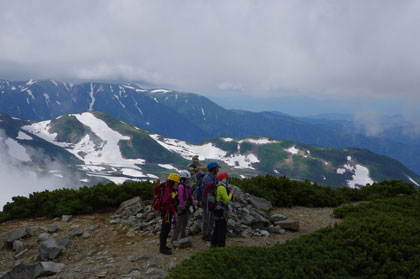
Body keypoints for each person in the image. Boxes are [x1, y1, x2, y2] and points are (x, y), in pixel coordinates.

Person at [211, 172, 234, 248]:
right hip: (220, 211)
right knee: (222, 228)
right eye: (227, 179)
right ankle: (221, 245)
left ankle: (214, 243)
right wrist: (231, 193)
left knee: (217, 227)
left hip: (217, 210)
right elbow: (227, 200)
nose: (227, 180)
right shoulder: (222, 188)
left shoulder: (219, 186)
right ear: (224, 179)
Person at [172, 170, 195, 242]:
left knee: (185, 223)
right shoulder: (181, 187)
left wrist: (193, 204)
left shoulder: (186, 187)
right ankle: (174, 239)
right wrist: (182, 207)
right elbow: (180, 197)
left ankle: (183, 237)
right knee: (179, 223)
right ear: (183, 179)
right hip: (181, 207)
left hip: (186, 206)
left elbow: (190, 195)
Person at [159, 173, 180, 255]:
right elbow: (165, 202)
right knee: (165, 229)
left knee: (166, 228)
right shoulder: (168, 189)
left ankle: (163, 246)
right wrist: (172, 202)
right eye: (176, 182)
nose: (177, 184)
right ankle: (162, 248)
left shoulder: (170, 189)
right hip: (166, 212)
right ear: (172, 182)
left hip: (167, 211)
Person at [201, 161, 220, 241]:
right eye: (217, 168)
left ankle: (210, 233)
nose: (218, 170)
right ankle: (205, 235)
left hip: (212, 201)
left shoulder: (214, 177)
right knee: (207, 218)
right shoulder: (207, 178)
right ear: (213, 169)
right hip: (207, 201)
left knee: (211, 217)